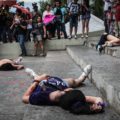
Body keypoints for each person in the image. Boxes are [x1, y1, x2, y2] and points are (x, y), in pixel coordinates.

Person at [22, 65, 105, 114]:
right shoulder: (69, 97)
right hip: (59, 83)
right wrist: (99, 105)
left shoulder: (40, 96)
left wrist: (37, 80)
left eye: (71, 90)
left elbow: (24, 98)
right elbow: (96, 99)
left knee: (37, 77)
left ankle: (33, 74)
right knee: (74, 81)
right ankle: (82, 76)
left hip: (45, 82)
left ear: (67, 91)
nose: (70, 89)